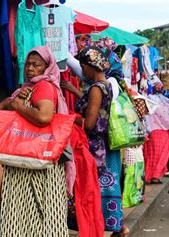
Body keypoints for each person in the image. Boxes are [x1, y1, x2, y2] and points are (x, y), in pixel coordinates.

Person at [0, 46, 69, 236]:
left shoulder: (43, 85)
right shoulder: (29, 87)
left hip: (36, 162)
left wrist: (19, 106)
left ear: (47, 67)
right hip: (31, 159)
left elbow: (44, 116)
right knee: (34, 214)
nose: (29, 68)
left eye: (36, 65)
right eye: (28, 64)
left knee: (34, 213)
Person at [62, 46, 128, 236]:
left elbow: (90, 124)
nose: (82, 72)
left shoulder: (96, 89)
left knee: (90, 188)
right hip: (98, 145)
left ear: (92, 66)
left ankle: (94, 227)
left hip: (92, 146)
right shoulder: (106, 84)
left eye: (83, 67)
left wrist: (70, 117)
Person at [143, 81, 169, 184]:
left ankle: (148, 176)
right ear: (162, 90)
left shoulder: (148, 100)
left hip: (151, 133)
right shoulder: (165, 104)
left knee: (150, 156)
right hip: (163, 134)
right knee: (161, 156)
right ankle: (156, 176)